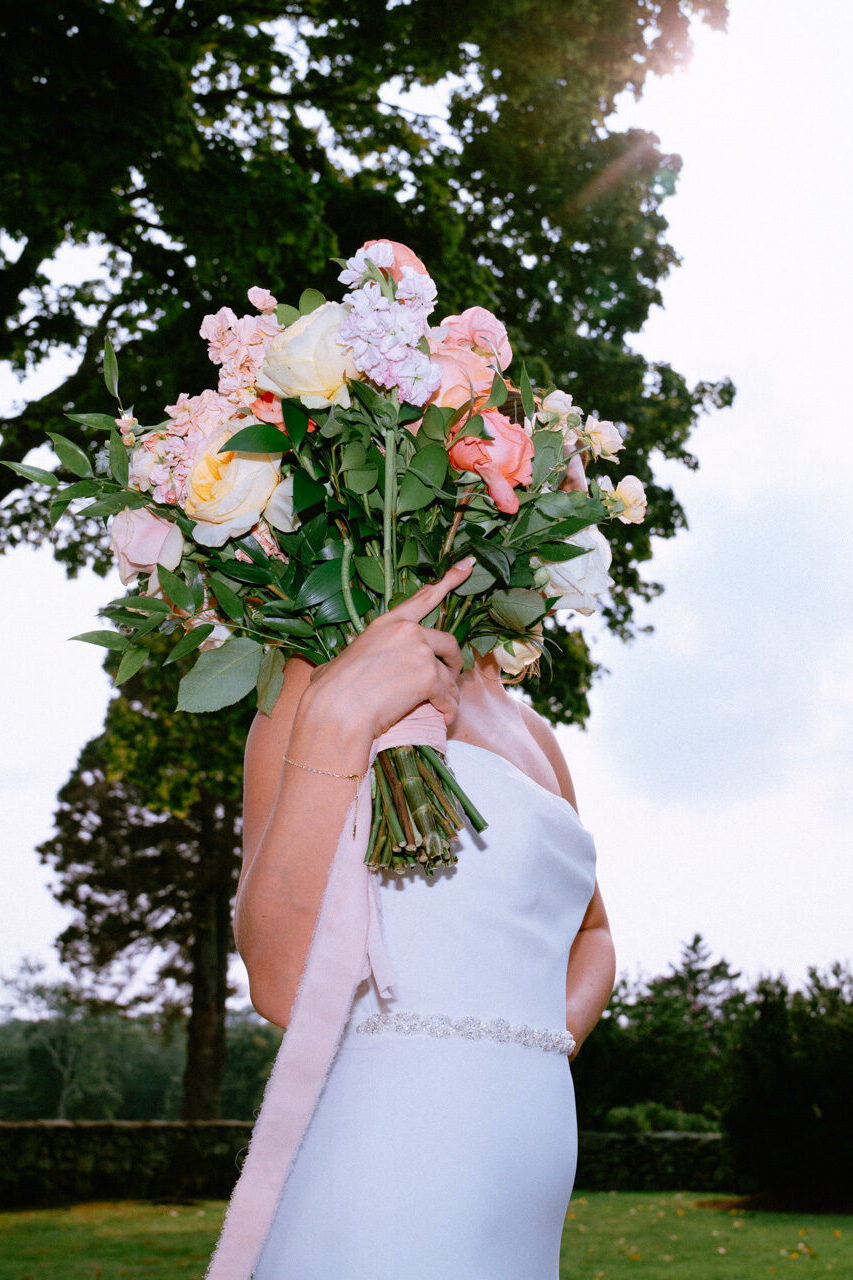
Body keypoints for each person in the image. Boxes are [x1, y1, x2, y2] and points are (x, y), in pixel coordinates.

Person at [218, 446, 616, 1279]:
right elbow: (282, 984)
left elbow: (593, 932)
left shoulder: (534, 733)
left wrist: (541, 1042)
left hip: (529, 1162)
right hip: (392, 1150)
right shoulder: (309, 682)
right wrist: (337, 717)